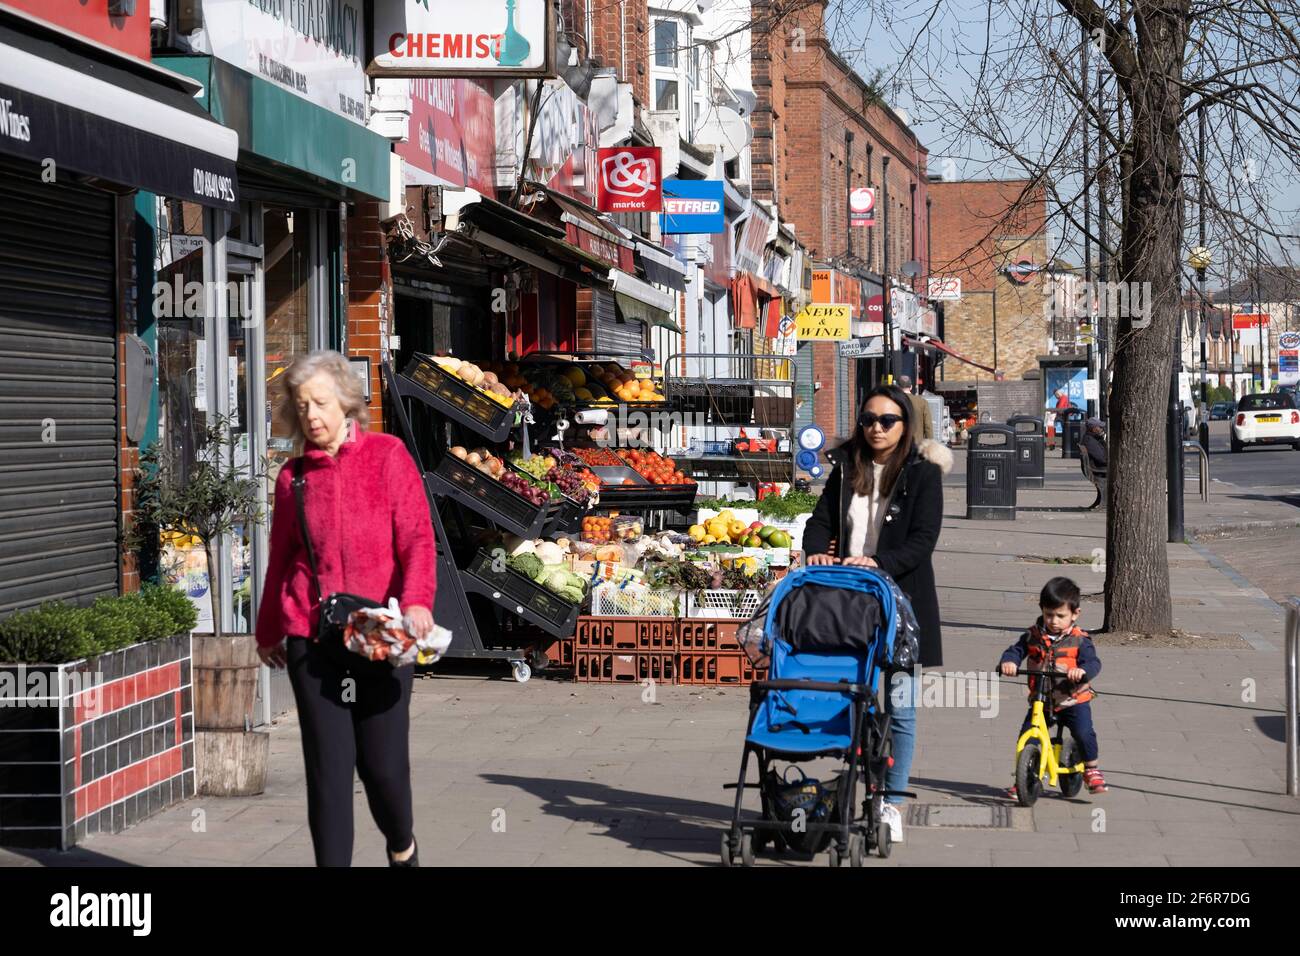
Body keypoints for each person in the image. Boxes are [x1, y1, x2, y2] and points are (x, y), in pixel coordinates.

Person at [256, 350, 437, 867]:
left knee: (382, 770)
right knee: (329, 775)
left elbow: (418, 542)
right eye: (301, 405)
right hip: (312, 641)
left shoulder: (388, 456)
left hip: (379, 636)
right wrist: (269, 631)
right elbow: (280, 558)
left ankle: (402, 848)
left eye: (319, 402)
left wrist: (420, 601)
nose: (310, 414)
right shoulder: (293, 478)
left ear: (345, 401)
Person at [802, 385, 952, 845]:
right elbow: (821, 520)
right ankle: (855, 777)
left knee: (901, 707)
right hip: (849, 604)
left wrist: (880, 562)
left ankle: (893, 802)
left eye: (888, 420)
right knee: (847, 698)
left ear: (905, 425)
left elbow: (923, 540)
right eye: (869, 419)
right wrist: (814, 552)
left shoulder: (923, 473)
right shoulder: (847, 466)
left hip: (902, 604)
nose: (877, 428)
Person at [999, 577, 1108, 796]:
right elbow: (1016, 650)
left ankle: (1091, 769)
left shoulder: (1080, 640)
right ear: (1042, 610)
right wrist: (1009, 662)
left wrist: (1082, 671)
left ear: (1075, 614)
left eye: (1061, 616)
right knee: (1027, 736)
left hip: (1072, 699)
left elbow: (1093, 663)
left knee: (1083, 732)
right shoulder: (1033, 636)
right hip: (1041, 700)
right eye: (1049, 614)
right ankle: (1025, 777)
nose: (1054, 621)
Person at [896, 375, 934, 441]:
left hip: (899, 444)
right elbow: (928, 426)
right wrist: (930, 444)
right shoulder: (922, 402)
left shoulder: (894, 401)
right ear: (911, 387)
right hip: (917, 444)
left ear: (897, 387)